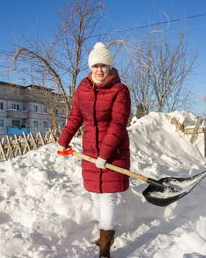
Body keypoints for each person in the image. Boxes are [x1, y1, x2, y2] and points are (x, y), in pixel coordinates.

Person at [58, 42, 131, 258]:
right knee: (95, 196)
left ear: (110, 67)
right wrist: (64, 140)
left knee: (108, 197)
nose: (99, 70)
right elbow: (75, 117)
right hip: (89, 149)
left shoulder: (120, 90)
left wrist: (105, 154)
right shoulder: (82, 88)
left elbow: (118, 123)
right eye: (96, 65)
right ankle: (103, 236)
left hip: (114, 150)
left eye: (104, 65)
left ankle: (105, 246)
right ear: (90, 67)